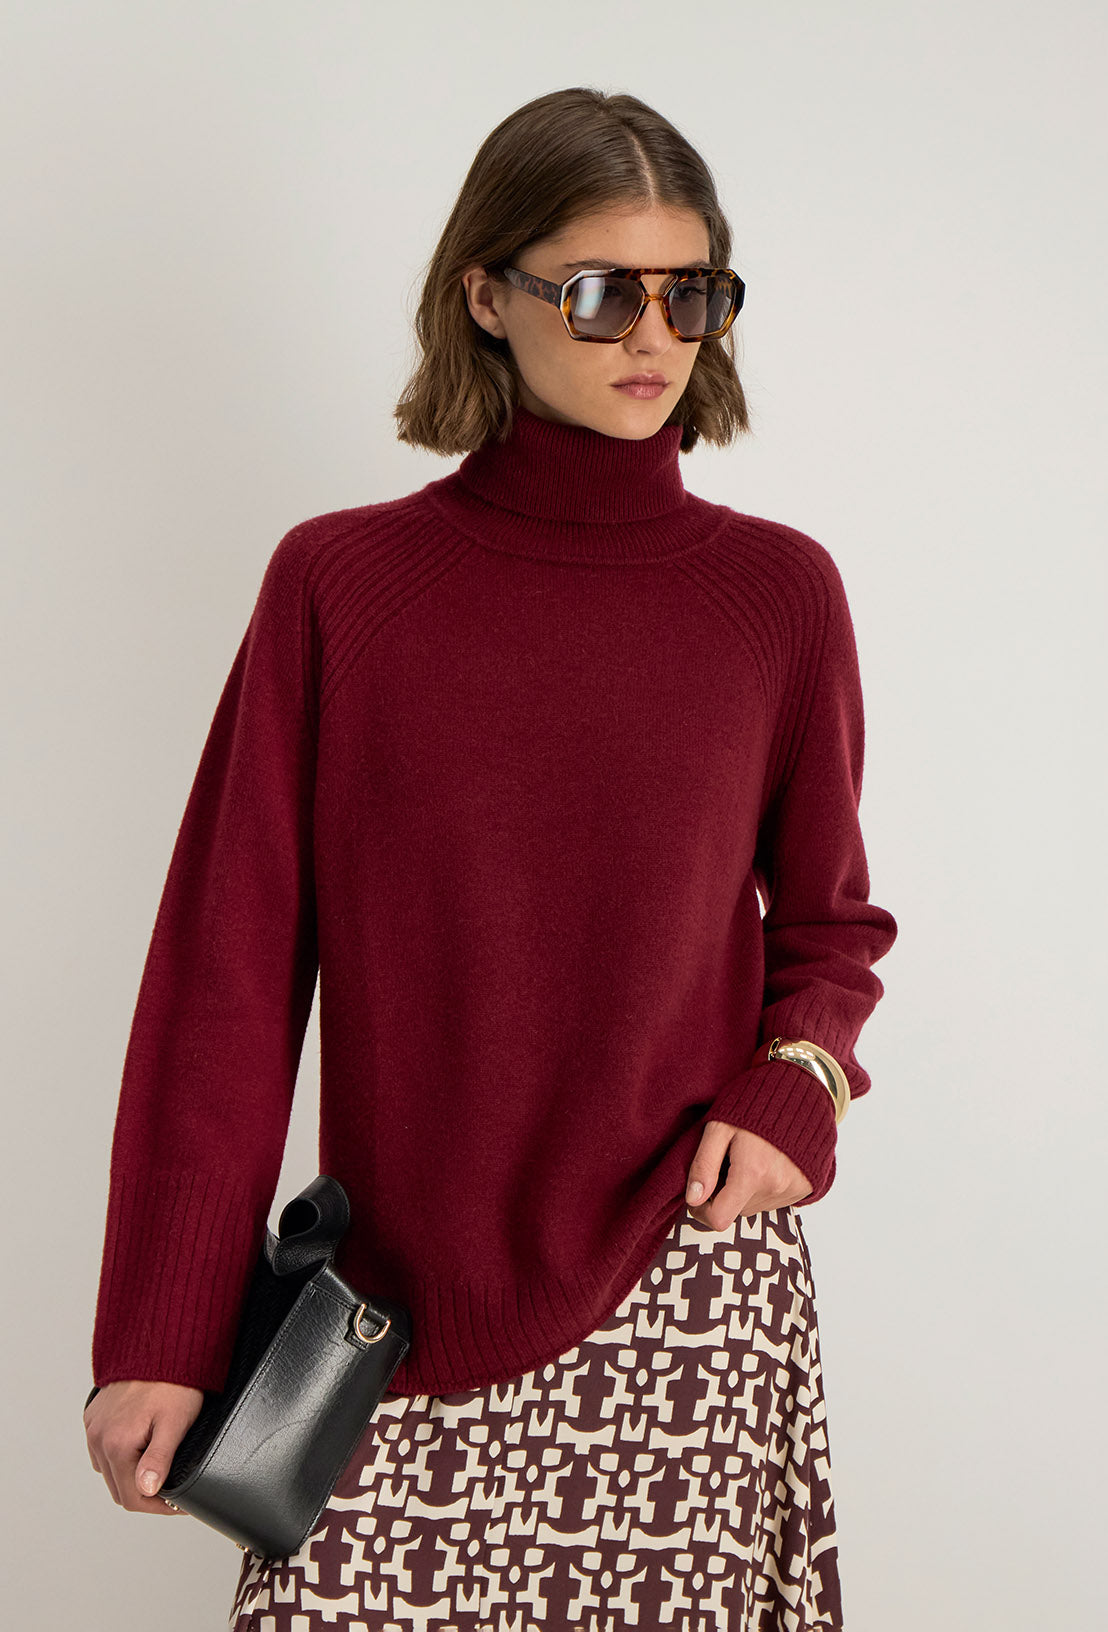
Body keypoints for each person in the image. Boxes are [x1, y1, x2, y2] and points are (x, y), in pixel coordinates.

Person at [84, 86, 897, 1632]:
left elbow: (831, 927)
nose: (653, 337)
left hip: (687, 1285)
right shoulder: (344, 585)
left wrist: (801, 1081)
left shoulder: (777, 597)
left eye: (691, 295)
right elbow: (227, 977)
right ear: (486, 294)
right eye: (599, 293)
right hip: (388, 1314)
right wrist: (164, 1330)